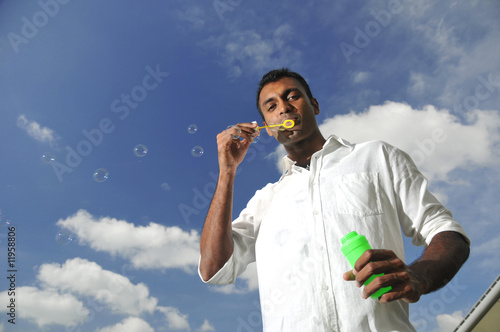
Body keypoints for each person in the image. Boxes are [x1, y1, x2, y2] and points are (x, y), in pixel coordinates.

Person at [198, 68, 470, 331]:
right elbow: (214, 269)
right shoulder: (264, 201)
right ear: (268, 128)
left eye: (292, 96)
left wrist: (419, 276)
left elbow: (447, 233)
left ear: (314, 105)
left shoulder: (377, 157)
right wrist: (227, 172)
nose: (284, 107)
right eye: (271, 106)